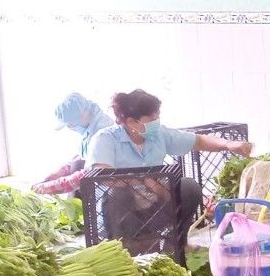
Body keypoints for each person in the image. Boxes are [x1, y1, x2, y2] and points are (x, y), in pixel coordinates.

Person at [85, 89, 252, 237]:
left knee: (188, 187)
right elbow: (102, 175)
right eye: (152, 118)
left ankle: (175, 241)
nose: (157, 121)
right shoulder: (105, 139)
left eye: (157, 116)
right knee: (118, 193)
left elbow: (198, 141)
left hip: (152, 204)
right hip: (118, 214)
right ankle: (124, 244)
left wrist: (228, 144)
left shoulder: (160, 134)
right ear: (131, 122)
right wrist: (142, 180)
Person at [31, 92, 114, 195]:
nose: (70, 127)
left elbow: (88, 173)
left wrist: (52, 186)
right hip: (95, 189)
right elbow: (84, 157)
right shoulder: (90, 128)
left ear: (83, 114)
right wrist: (61, 171)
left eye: (71, 123)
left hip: (108, 194)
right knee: (76, 164)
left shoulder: (102, 133)